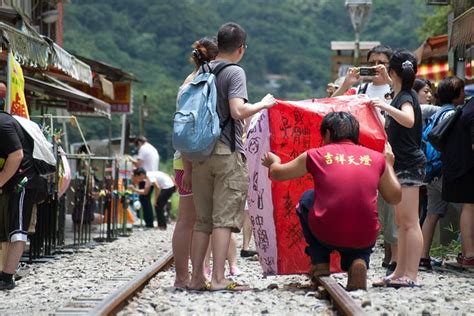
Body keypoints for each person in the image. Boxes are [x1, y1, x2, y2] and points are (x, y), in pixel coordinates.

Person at [262, 112, 401, 291]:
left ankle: (320, 263)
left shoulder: (316, 155)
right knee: (363, 215)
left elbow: (277, 173)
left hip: (326, 231)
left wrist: (274, 161)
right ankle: (359, 260)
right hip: (364, 235)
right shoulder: (375, 158)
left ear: (327, 133)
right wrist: (389, 164)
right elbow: (395, 197)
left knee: (307, 199)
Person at [188, 22, 276, 292]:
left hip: (199, 153)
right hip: (225, 151)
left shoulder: (202, 70)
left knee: (203, 221)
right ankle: (218, 279)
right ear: (241, 48)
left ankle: (195, 279)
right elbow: (238, 111)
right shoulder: (234, 72)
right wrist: (264, 103)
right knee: (224, 219)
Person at [333, 45, 398, 274]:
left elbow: (407, 106)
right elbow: (332, 106)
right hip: (360, 155)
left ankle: (392, 257)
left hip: (389, 152)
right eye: (371, 62)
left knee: (390, 205)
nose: (375, 67)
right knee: (364, 205)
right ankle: (364, 252)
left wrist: (389, 79)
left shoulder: (394, 90)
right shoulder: (361, 88)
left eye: (381, 62)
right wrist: (346, 83)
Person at [371, 49, 426, 287]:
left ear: (393, 71)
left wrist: (383, 106)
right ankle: (399, 272)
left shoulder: (405, 97)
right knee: (403, 222)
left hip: (409, 165)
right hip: (402, 164)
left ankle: (410, 274)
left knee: (409, 222)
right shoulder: (400, 94)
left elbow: (408, 119)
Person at [172, 36, 218, 289]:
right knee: (195, 221)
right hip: (195, 162)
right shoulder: (203, 83)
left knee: (186, 221)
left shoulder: (187, 83)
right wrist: (190, 167)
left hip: (183, 161)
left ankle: (184, 277)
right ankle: (192, 276)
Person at [420, 77, 464, 270]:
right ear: (456, 94)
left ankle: (422, 257)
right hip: (448, 172)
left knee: (432, 215)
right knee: (467, 211)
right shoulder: (454, 115)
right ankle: (466, 254)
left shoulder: (437, 114)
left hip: (432, 172)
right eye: (462, 91)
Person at [0, 110, 39, 290]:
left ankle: (7, 277)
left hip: (21, 181)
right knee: (7, 228)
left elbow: (17, 155)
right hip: (9, 181)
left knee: (17, 228)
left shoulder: (3, 123)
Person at [441, 96, 474, 268]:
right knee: (470, 206)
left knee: (469, 207)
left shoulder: (469, 104)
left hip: (461, 166)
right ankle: (469, 254)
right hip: (468, 168)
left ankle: (467, 253)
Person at [130, 136, 159, 228]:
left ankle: (149, 222)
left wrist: (129, 159)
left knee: (144, 199)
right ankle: (149, 221)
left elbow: (138, 164)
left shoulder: (143, 148)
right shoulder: (152, 148)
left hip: (145, 177)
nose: (137, 149)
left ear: (139, 143)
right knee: (146, 199)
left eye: (137, 146)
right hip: (152, 175)